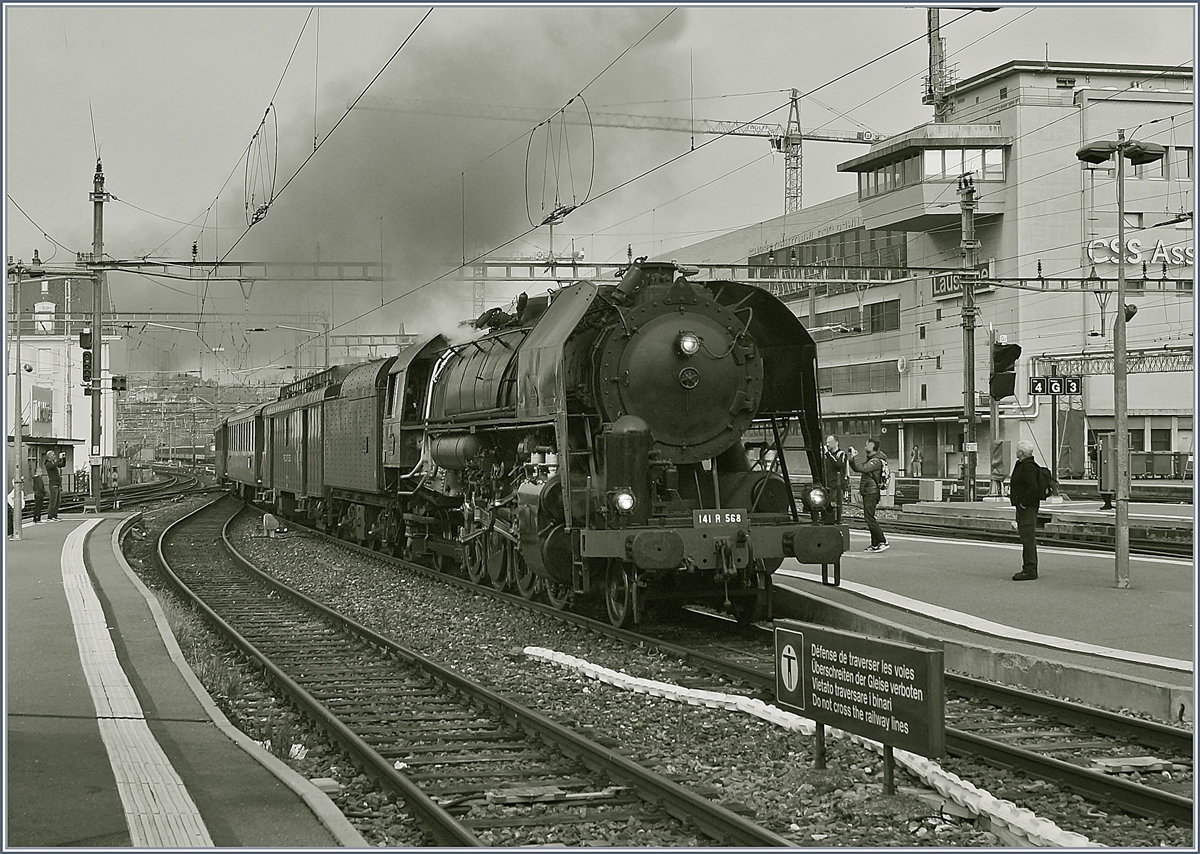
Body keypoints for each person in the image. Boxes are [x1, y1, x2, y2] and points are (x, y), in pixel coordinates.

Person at [848, 438, 890, 552]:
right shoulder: (871, 459)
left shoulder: (876, 461)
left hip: (872, 492)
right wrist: (852, 459)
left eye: (867, 445)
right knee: (869, 517)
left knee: (869, 518)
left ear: (872, 447)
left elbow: (862, 468)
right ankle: (875, 544)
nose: (865, 447)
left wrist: (855, 457)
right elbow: (858, 468)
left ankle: (883, 541)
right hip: (868, 492)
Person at [1009, 439, 1041, 581]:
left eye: (1017, 450)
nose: (1016, 452)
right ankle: (1028, 567)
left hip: (1027, 507)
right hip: (1024, 506)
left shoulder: (1027, 467)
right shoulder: (1022, 464)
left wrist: (1023, 503)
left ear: (1021, 452)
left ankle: (1030, 569)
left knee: (1027, 538)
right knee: (1026, 537)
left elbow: (1033, 487)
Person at [821, 435, 849, 521]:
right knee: (825, 506)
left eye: (830, 442)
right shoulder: (826, 456)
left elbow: (839, 465)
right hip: (827, 485)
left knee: (835, 505)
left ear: (836, 443)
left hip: (836, 486)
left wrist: (827, 454)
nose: (827, 444)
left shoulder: (841, 454)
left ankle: (837, 521)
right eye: (827, 442)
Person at [44, 450, 62, 522]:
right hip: (53, 484)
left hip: (57, 483)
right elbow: (54, 465)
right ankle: (50, 516)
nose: (55, 456)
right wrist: (58, 460)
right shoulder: (48, 464)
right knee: (53, 500)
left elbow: (61, 465)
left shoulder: (53, 462)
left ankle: (55, 515)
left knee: (58, 500)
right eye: (53, 455)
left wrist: (63, 459)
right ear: (49, 456)